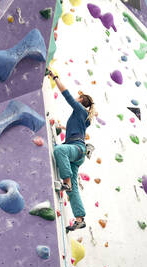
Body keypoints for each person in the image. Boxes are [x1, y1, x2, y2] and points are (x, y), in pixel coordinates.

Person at [48, 70, 96, 233]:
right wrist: (62, 127)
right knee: (74, 187)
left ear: (81, 100)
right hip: (77, 153)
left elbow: (65, 94)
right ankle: (79, 219)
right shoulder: (85, 118)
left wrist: (55, 77)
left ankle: (66, 183)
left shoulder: (80, 109)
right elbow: (76, 130)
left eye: (78, 97)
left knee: (59, 150)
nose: (75, 98)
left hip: (76, 150)